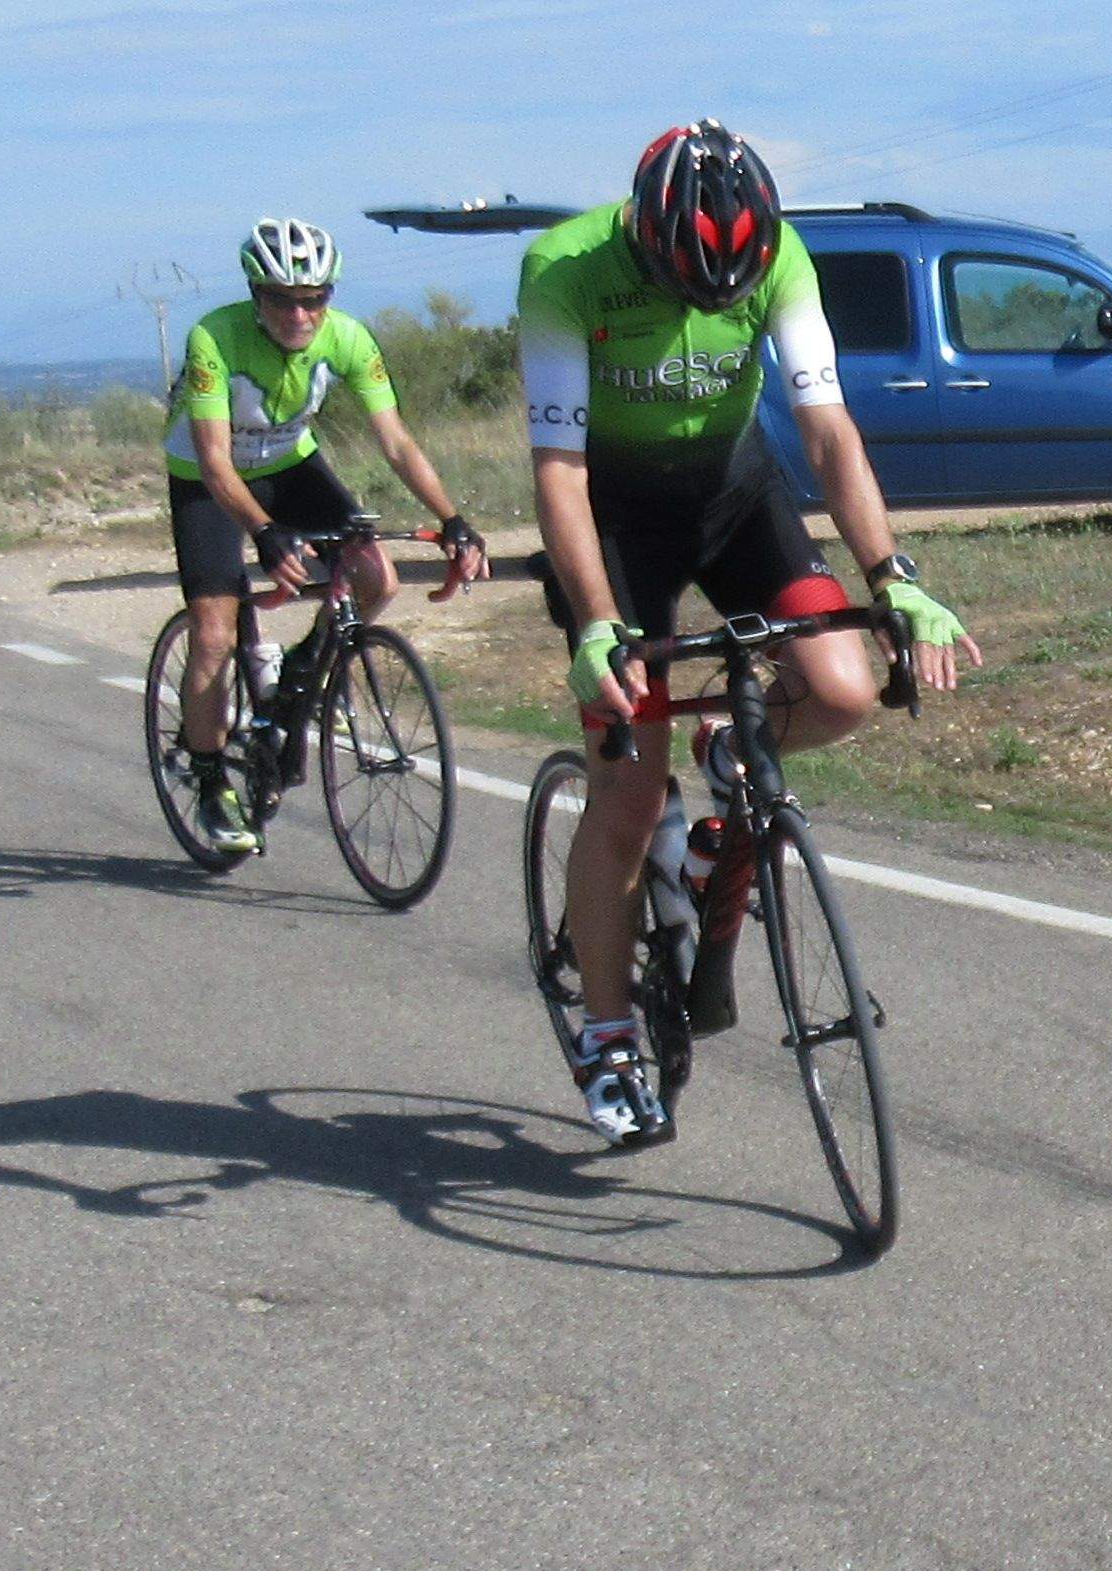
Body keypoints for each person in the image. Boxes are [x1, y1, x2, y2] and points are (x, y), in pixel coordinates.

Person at [518, 122, 974, 1145]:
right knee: (629, 796)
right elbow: (558, 469)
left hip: (731, 496)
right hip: (615, 521)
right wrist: (597, 624)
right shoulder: (563, 269)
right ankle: (606, 1033)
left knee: (845, 688)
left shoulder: (781, 256)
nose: (707, 308)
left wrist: (893, 576)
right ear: (645, 236)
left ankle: (730, 748)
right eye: (690, 288)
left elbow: (826, 430)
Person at [163, 220, 491, 853]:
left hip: (289, 463)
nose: (300, 313)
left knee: (378, 579)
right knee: (213, 634)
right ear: (256, 294)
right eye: (282, 297)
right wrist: (263, 532)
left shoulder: (348, 338)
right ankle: (208, 780)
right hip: (208, 478)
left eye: (314, 297)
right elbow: (212, 459)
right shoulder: (216, 337)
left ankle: (299, 677)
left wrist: (452, 517)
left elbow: (395, 441)